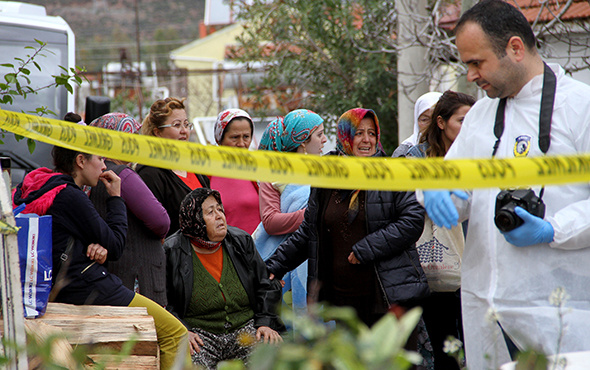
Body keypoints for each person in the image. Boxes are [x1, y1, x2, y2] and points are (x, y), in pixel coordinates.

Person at [421, 1, 590, 368]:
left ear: (515, 48)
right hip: (486, 306)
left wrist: (553, 229)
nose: (469, 76)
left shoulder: (580, 107)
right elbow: (453, 182)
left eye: (476, 62)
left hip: (560, 308)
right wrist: (441, 192)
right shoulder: (481, 115)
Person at [12, 146, 190, 369]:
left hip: (64, 285)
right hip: (88, 286)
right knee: (176, 334)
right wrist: (116, 197)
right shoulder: (70, 196)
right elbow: (115, 245)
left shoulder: (42, 185)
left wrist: (96, 246)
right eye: (100, 159)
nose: (105, 166)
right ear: (80, 161)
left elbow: (69, 235)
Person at [265, 107, 429, 327]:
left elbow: (412, 222)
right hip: (344, 302)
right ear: (344, 136)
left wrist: (367, 248)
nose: (367, 140)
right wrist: (275, 265)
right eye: (359, 133)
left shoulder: (393, 173)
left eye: (372, 133)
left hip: (387, 298)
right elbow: (310, 231)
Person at [164, 188, 284, 369]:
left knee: (270, 356)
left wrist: (265, 323)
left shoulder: (240, 241)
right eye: (210, 212)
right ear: (194, 219)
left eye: (220, 209)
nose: (219, 216)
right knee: (188, 362)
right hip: (200, 335)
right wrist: (182, 329)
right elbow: (163, 300)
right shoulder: (172, 251)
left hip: (245, 329)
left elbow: (266, 284)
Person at [406, 91, 475, 370]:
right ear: (441, 122)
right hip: (434, 271)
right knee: (443, 347)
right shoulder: (415, 158)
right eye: (461, 120)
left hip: (474, 263)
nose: (468, 128)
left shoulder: (479, 156)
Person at [89, 113, 170, 306]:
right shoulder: (122, 175)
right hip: (136, 277)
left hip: (112, 274)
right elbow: (161, 221)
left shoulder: (94, 172)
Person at [254, 109, 327, 312]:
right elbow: (269, 221)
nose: (325, 140)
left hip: (323, 259)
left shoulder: (329, 171)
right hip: (286, 263)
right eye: (319, 134)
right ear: (303, 141)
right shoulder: (275, 174)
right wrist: (312, 215)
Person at [136, 97, 210, 237]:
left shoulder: (195, 167)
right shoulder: (149, 173)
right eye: (177, 125)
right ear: (157, 132)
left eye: (186, 124)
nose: (184, 131)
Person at [209, 109, 261, 234]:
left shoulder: (258, 169)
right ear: (219, 139)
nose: (241, 143)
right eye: (234, 137)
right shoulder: (206, 173)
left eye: (246, 137)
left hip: (260, 251)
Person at [392, 92, 442, 157]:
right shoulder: (405, 152)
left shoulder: (454, 147)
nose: (431, 125)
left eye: (435, 119)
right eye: (424, 120)